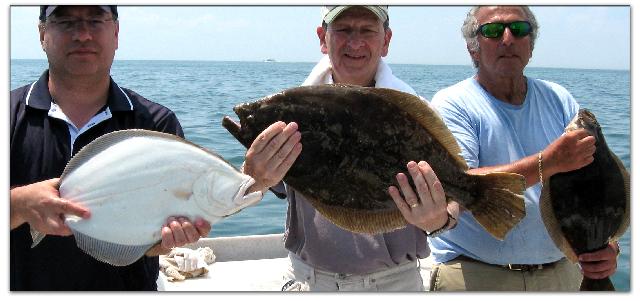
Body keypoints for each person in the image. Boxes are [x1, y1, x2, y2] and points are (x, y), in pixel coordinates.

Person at [241, 5, 453, 291]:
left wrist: (439, 220)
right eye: (343, 30)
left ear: (386, 40)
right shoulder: (294, 113)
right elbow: (267, 187)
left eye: (367, 30)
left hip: (395, 284)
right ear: (322, 37)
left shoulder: (417, 112)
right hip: (308, 281)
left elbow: (451, 198)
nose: (355, 42)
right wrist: (254, 178)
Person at [414, 5, 620, 291]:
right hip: (476, 276)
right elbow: (459, 185)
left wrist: (607, 246)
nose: (508, 38)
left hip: (561, 275)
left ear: (531, 46)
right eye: (493, 31)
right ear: (473, 48)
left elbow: (594, 186)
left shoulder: (559, 99)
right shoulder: (453, 104)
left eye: (520, 29)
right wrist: (548, 163)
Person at [10, 5, 214, 290]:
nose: (82, 34)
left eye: (95, 20)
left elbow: (151, 245)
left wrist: (167, 238)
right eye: (66, 21)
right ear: (42, 33)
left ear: (116, 33)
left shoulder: (155, 124)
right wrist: (17, 205)